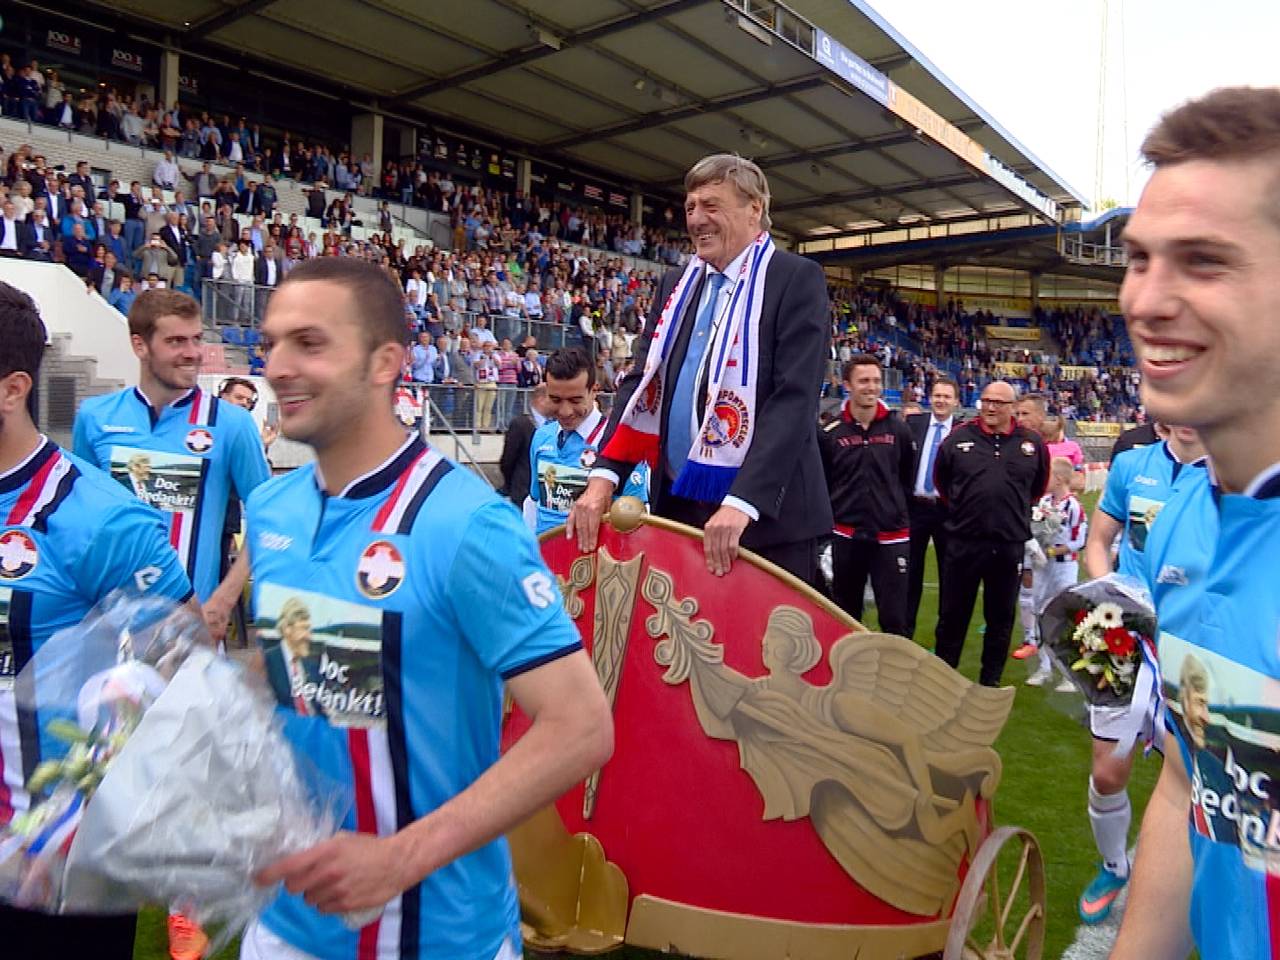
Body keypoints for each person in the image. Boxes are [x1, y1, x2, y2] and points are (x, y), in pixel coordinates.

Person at [239, 256, 613, 960]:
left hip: (435, 934)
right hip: (283, 923)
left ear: (385, 362)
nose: (279, 366)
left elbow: (581, 727)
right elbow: (294, 676)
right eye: (271, 344)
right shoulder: (270, 509)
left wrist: (399, 859)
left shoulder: (468, 524)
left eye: (309, 343)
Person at [1110, 87, 1280, 960]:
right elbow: (1192, 783)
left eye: (1203, 262)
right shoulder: (1183, 517)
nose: (1146, 300)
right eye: (1139, 259)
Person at [0, 281, 194, 959]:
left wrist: (94, 786)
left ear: (11, 389)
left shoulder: (98, 517)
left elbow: (181, 651)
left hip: (49, 858)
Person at [570, 154, 831, 581]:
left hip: (764, 521)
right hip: (680, 509)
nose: (696, 219)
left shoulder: (795, 277)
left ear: (754, 209)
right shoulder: (677, 283)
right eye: (691, 207)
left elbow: (794, 399)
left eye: (711, 205)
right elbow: (641, 382)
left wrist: (743, 501)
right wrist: (604, 475)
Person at [71, 289, 271, 647]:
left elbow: (271, 519)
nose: (193, 353)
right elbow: (80, 521)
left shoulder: (231, 424)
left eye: (196, 339)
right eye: (176, 341)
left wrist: (224, 598)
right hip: (108, 629)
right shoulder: (96, 417)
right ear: (140, 345)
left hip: (191, 632)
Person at [1076, 423, 1206, 924]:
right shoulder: (1133, 465)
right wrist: (1107, 589)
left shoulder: (1228, 472)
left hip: (1195, 646)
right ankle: (1113, 864)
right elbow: (1100, 538)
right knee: (1108, 772)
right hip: (1122, 637)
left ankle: (1195, 875)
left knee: (1196, 775)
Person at [932, 381, 1048, 686]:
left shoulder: (1032, 443)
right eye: (986, 401)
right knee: (952, 616)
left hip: (1007, 546)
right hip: (963, 543)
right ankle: (943, 679)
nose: (991, 407)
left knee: (1000, 618)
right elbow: (943, 485)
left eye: (999, 402)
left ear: (1012, 407)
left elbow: (1035, 490)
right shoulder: (958, 439)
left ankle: (990, 682)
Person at [817, 354, 915, 633]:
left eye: (876, 381)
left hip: (891, 536)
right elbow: (826, 482)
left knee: (894, 619)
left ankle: (893, 676)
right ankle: (848, 675)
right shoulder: (831, 433)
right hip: (847, 536)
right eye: (863, 381)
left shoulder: (899, 430)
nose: (871, 387)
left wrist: (894, 511)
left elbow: (905, 478)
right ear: (847, 384)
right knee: (845, 616)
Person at [529, 348, 647, 536]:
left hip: (592, 561)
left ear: (594, 390)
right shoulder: (541, 437)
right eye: (555, 399)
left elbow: (637, 523)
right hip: (545, 560)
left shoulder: (623, 444)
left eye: (575, 400)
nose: (565, 411)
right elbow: (534, 504)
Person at [1014, 456, 1086, 689]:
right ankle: (1044, 668)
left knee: (1063, 616)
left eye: (1047, 475)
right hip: (1042, 566)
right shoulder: (1043, 502)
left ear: (1058, 478)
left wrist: (1054, 551)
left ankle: (1069, 674)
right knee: (1039, 611)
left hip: (1064, 566)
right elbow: (1033, 531)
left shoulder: (1073, 506)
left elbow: (1079, 540)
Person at [904, 377, 959, 640]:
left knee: (950, 577)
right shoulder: (914, 425)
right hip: (915, 509)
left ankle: (945, 638)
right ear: (930, 397)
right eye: (937, 395)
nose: (941, 401)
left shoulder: (962, 432)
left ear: (956, 402)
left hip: (947, 512)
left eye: (947, 397)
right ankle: (905, 634)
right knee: (909, 575)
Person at [499, 382, 551, 509]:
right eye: (554, 398)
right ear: (541, 399)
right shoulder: (520, 424)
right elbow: (507, 461)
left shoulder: (554, 426)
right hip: (522, 493)